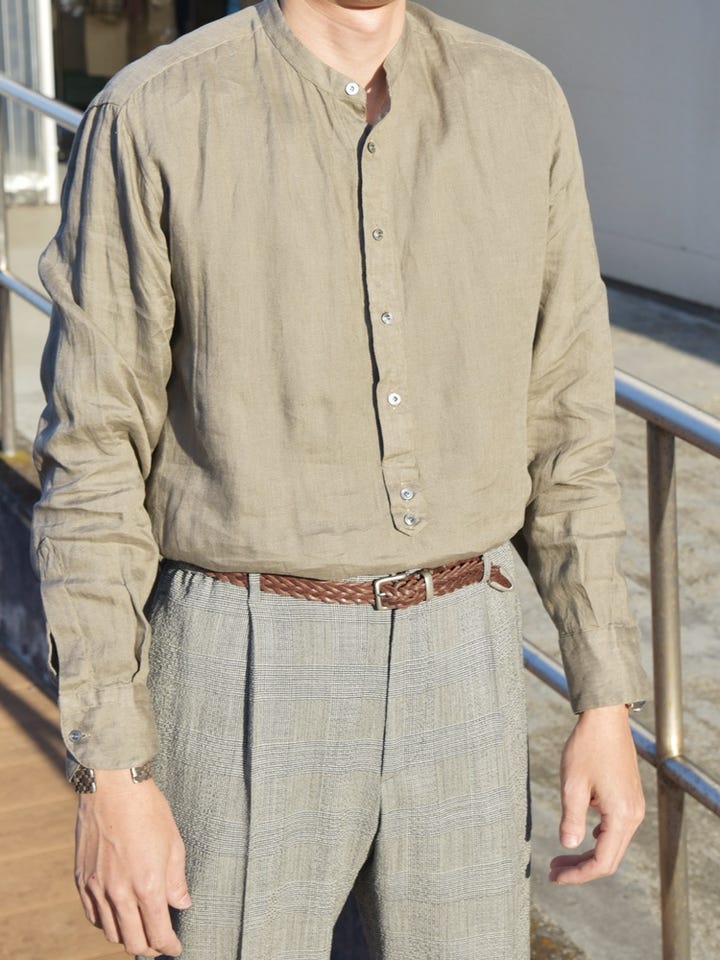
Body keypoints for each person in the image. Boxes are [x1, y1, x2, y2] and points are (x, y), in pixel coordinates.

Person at [32, 1, 651, 957]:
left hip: (466, 656)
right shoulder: (156, 111)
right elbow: (92, 455)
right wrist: (107, 768)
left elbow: (569, 423)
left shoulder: (520, 103)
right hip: (241, 659)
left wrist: (603, 697)